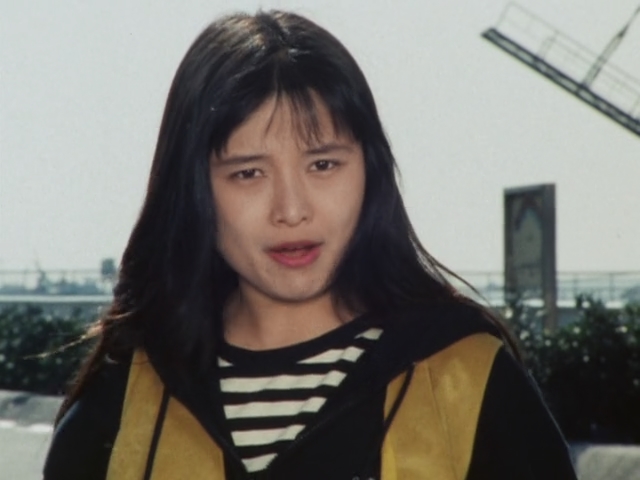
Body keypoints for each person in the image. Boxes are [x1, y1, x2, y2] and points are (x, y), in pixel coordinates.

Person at [43, 10, 577, 480]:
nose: (292, 209)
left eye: (323, 164)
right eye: (248, 173)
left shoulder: (466, 378)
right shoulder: (127, 394)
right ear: (194, 188)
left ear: (369, 170)